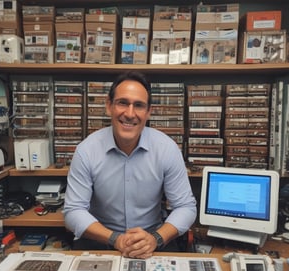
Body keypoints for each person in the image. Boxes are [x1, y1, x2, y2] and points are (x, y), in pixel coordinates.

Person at [63, 71, 197, 259]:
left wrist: (156, 238)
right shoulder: (87, 151)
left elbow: (185, 207)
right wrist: (115, 239)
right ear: (109, 106)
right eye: (123, 103)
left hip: (151, 241)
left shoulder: (166, 149)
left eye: (139, 105)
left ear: (149, 112)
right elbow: (73, 211)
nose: (130, 113)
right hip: (100, 238)